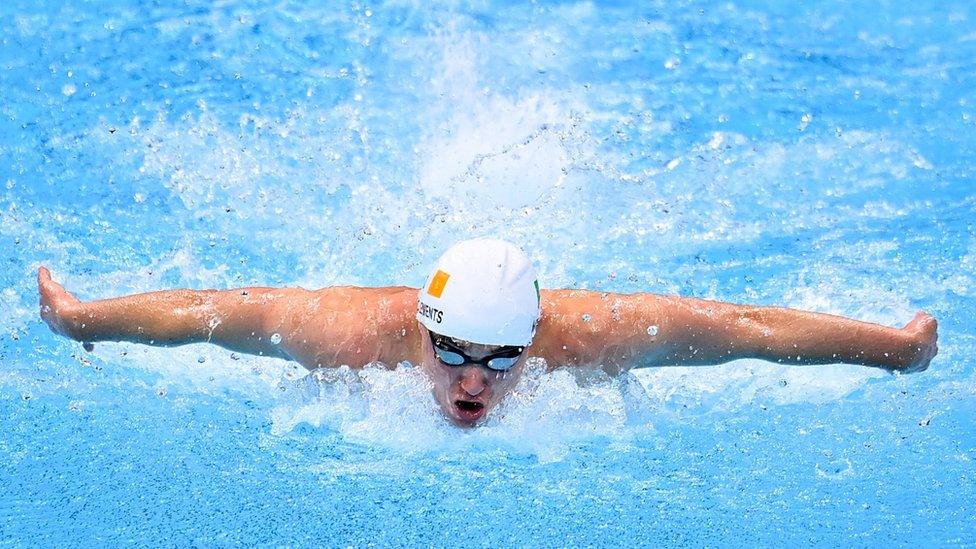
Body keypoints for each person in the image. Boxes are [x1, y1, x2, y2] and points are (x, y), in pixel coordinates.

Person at [38, 238, 938, 427]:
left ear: (532, 340)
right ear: (420, 331)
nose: (474, 383)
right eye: (454, 356)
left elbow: (746, 328)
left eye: (502, 360)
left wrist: (894, 349)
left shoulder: (585, 338)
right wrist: (82, 319)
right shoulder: (353, 332)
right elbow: (211, 313)